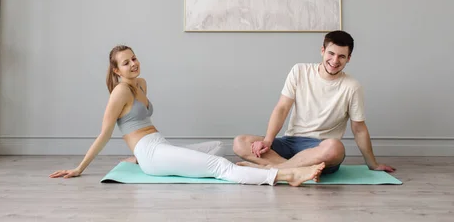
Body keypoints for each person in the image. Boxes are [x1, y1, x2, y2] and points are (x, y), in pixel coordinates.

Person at [50, 45, 326, 186]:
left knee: (218, 148)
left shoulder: (141, 83)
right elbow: (105, 133)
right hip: (152, 154)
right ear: (116, 71)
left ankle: (263, 169)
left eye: (134, 58)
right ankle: (286, 176)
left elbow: (137, 123)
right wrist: (79, 168)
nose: (133, 63)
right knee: (221, 169)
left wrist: (134, 154)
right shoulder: (120, 92)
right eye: (126, 62)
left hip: (159, 145)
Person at [233, 31, 395, 175]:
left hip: (321, 149)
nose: (335, 60)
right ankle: (293, 170)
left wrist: (372, 164)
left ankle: (271, 169)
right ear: (322, 51)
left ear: (349, 58)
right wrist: (268, 141)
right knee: (240, 142)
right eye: (331, 53)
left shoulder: (352, 87)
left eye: (341, 56)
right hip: (290, 142)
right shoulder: (299, 71)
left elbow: (359, 129)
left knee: (335, 148)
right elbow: (282, 108)